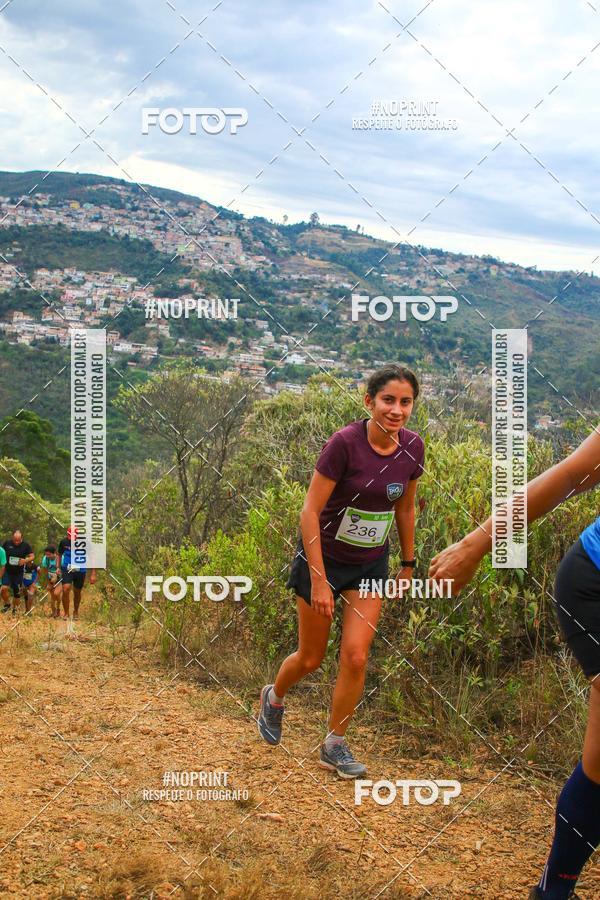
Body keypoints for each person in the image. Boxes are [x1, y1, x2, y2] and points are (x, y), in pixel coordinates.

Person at [428, 427, 600, 899]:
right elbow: (570, 474)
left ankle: (553, 887)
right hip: (594, 582)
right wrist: (473, 545)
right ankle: (555, 888)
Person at [258, 364, 425, 778]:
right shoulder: (344, 444)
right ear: (369, 402)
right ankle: (274, 696)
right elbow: (309, 512)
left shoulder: (413, 448)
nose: (396, 410)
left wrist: (407, 564)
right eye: (388, 400)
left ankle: (335, 743)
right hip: (324, 559)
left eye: (405, 402)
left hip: (370, 562)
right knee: (311, 658)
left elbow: (405, 507)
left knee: (356, 655)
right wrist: (318, 579)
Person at [57, 526, 96, 620]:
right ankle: (66, 613)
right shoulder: (63, 542)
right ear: (67, 534)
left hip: (80, 569)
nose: (71, 538)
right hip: (67, 568)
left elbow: (92, 557)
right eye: (69, 536)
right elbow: (59, 554)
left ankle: (76, 611)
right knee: (66, 589)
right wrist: (58, 567)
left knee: (77, 592)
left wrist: (93, 573)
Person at [1, 530, 34, 614]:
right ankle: (7, 604)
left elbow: (32, 556)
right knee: (4, 588)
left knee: (17, 591)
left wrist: (25, 560)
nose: (16, 542)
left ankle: (15, 609)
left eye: (18, 540)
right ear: (12, 537)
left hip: (18, 572)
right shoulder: (7, 543)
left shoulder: (26, 545)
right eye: (15, 540)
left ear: (21, 538)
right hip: (7, 570)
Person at [40, 545, 62, 618]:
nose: (47, 556)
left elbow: (63, 569)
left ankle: (58, 608)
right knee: (52, 596)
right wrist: (48, 583)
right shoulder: (45, 559)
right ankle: (54, 612)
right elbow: (45, 571)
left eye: (49, 554)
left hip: (59, 579)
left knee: (56, 594)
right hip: (50, 579)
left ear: (54, 553)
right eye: (46, 554)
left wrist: (57, 575)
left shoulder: (59, 559)